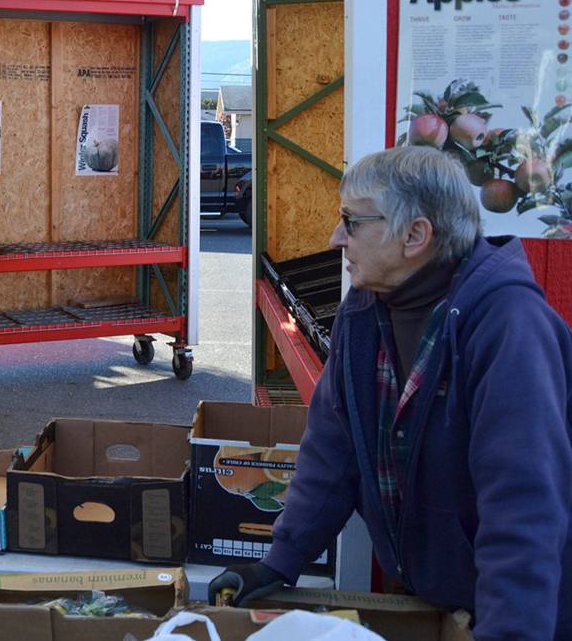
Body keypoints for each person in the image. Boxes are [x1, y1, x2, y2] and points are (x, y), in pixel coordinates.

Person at [209, 145, 572, 640]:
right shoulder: (363, 312)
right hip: (439, 597)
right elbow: (333, 450)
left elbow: (523, 509)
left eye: (352, 222)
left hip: (526, 613)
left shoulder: (508, 328)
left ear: (415, 235)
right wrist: (279, 561)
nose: (337, 237)